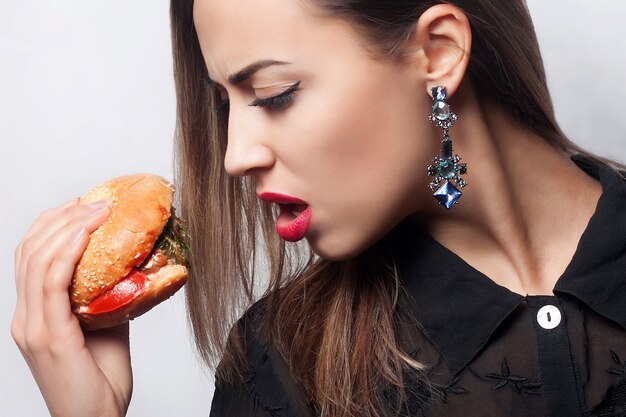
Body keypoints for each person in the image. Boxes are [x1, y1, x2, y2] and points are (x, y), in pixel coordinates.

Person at [11, 0, 626, 416]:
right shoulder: (278, 368)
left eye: (275, 95)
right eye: (227, 104)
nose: (235, 156)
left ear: (438, 52)